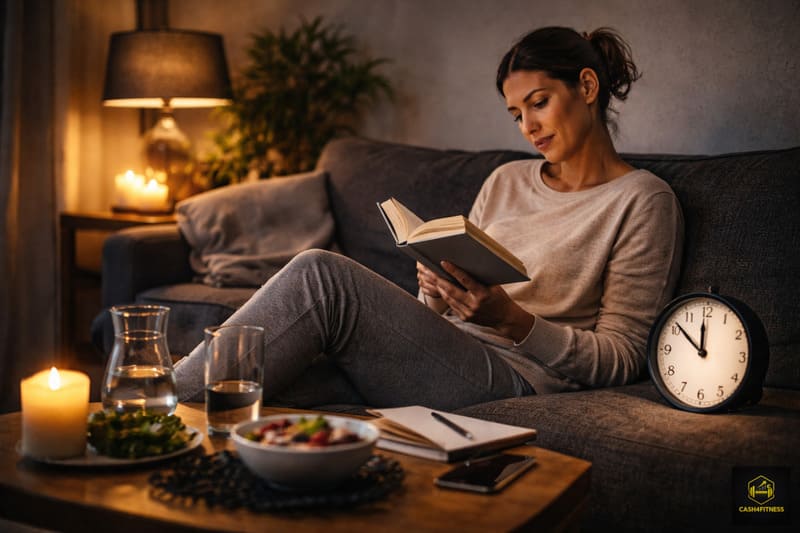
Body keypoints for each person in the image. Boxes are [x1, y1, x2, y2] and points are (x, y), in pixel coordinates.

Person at [174, 26, 684, 409]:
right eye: (515, 114)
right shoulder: (507, 179)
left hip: (518, 379)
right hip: (447, 353)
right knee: (279, 388)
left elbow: (623, 358)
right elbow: (438, 317)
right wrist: (438, 291)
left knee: (321, 275)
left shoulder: (641, 200)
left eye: (539, 104)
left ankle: (157, 399)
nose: (528, 127)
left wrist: (512, 321)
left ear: (588, 87)